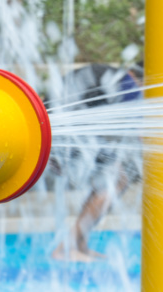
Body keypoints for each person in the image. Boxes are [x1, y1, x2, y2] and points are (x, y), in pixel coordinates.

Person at [51, 62, 144, 262]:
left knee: (112, 179)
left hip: (55, 128)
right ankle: (66, 247)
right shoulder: (128, 84)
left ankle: (78, 244)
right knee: (116, 180)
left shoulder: (112, 75)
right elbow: (144, 136)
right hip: (65, 133)